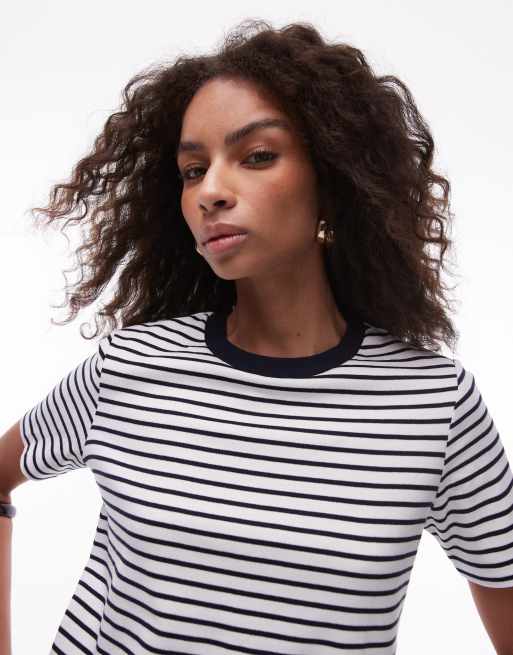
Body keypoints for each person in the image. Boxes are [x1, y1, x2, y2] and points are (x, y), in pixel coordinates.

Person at [1, 17, 512, 655]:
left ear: (333, 179)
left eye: (258, 156)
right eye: (193, 170)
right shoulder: (127, 367)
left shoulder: (433, 404)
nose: (211, 191)